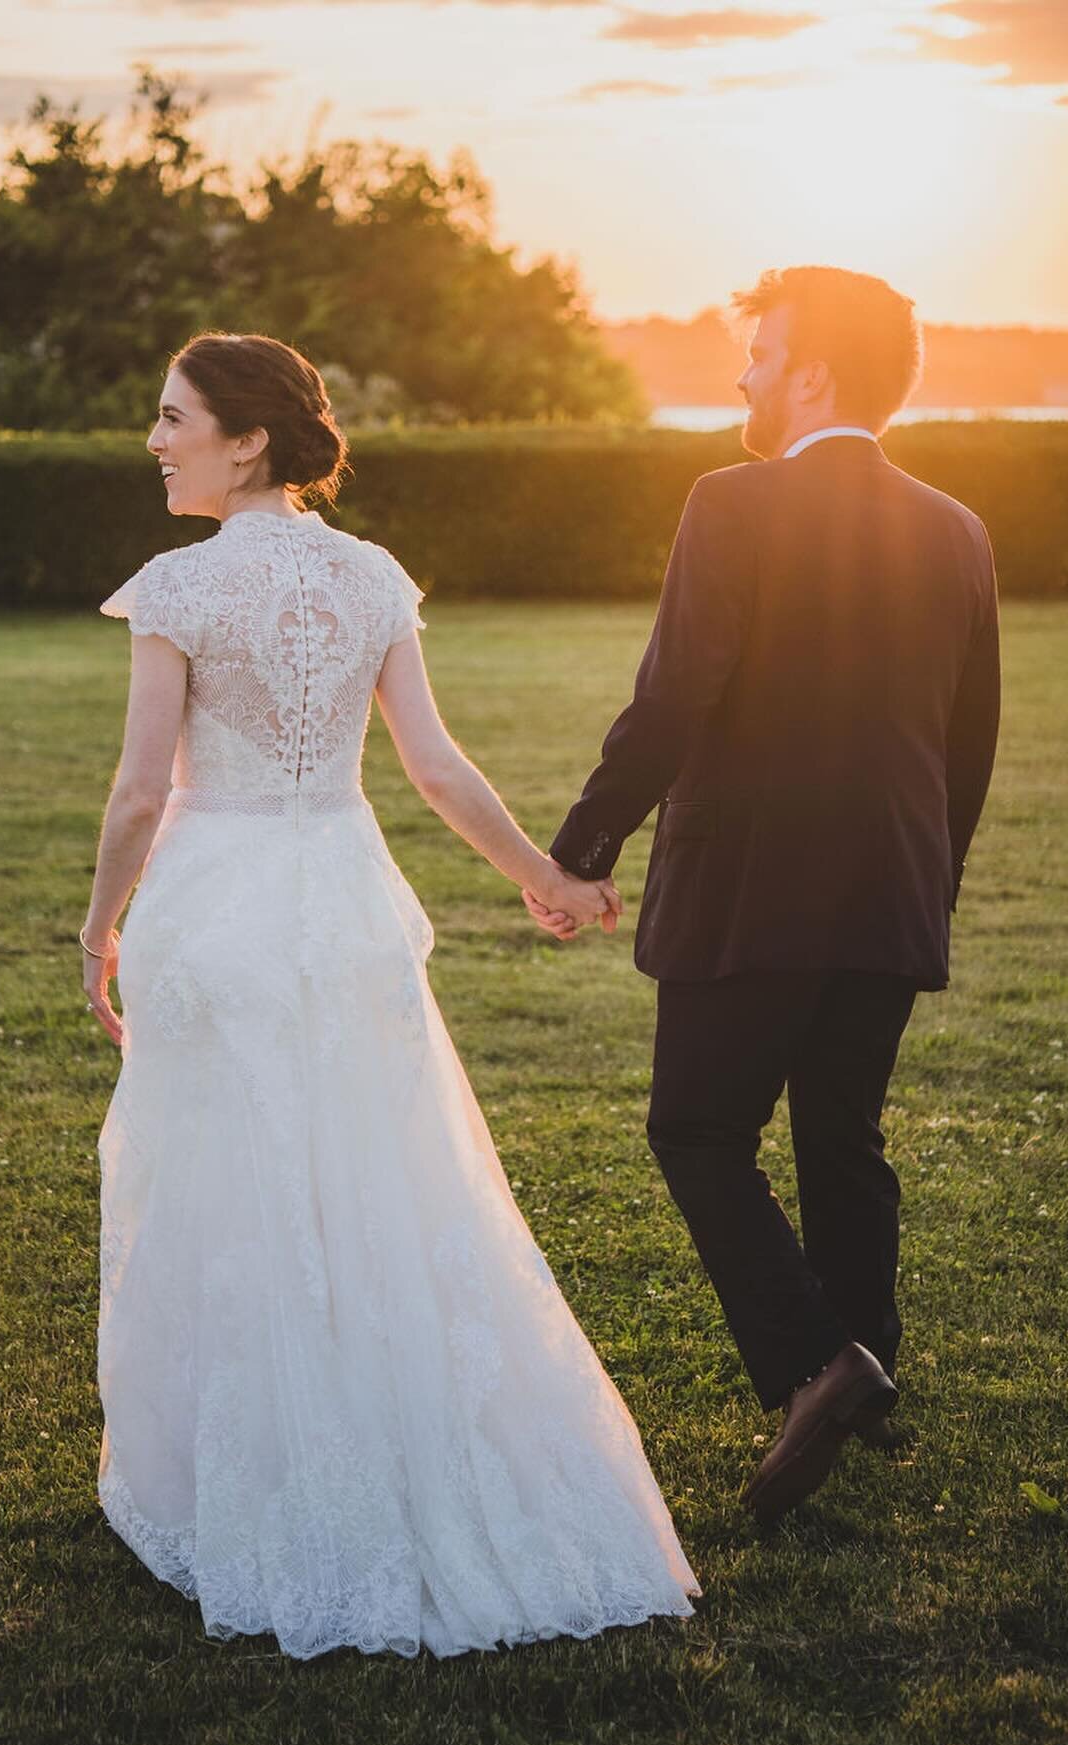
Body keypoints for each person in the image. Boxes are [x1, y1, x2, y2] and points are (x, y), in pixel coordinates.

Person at [78, 331, 701, 1657]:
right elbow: (433, 767)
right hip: (346, 903)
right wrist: (542, 873)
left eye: (173, 415)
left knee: (222, 1189)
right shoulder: (371, 582)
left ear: (246, 441)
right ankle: (400, 1448)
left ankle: (223, 1483)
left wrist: (96, 926)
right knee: (375, 1178)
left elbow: (141, 790)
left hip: (218, 909)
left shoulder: (181, 592)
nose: (156, 438)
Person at [529, 266, 1001, 1526]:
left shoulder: (731, 503)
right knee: (841, 1138)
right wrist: (925, 890)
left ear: (813, 373)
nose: (742, 375)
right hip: (893, 900)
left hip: (751, 894)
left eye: (759, 351)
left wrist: (583, 847)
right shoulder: (957, 528)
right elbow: (971, 746)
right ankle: (872, 1382)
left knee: (697, 1130)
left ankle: (817, 1366)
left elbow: (675, 698)